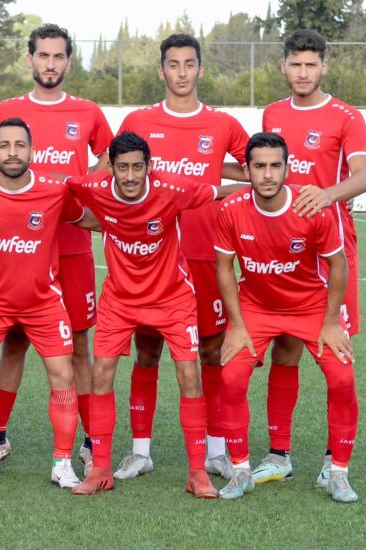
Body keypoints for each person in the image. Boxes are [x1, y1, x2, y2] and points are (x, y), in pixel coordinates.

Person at [67, 132, 245, 497]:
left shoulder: (173, 189)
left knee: (189, 376)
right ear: (111, 168)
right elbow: (56, 190)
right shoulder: (93, 186)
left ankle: (198, 473)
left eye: (138, 167)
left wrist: (282, 190)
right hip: (120, 299)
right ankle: (100, 469)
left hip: (172, 297)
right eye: (122, 168)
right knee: (101, 374)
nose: (130, 176)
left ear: (149, 166)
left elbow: (221, 190)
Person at [0, 23, 113, 477]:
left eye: (58, 56)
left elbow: (110, 157)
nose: (50, 64)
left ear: (68, 61)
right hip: (18, 250)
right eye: (43, 55)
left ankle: (91, 440)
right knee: (14, 341)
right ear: (30, 59)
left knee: (78, 345)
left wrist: (85, 185)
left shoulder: (88, 112)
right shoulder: (7, 111)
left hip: (71, 247)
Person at [115, 34, 249, 481]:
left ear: (200, 69)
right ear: (162, 70)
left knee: (210, 352)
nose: (181, 73)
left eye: (189, 64)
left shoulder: (223, 124)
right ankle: (140, 451)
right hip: (151, 258)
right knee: (148, 350)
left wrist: (217, 178)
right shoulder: (138, 120)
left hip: (206, 255)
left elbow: (257, 167)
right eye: (173, 65)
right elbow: (116, 173)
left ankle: (215, 451)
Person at [0, 117, 100, 492]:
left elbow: (86, 219)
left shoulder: (54, 190)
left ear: (31, 150)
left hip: (43, 303)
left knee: (63, 375)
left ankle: (63, 463)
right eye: (4, 146)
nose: (12, 153)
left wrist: (135, 221)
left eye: (19, 145)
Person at [214, 132, 359, 503]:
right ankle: (240, 470)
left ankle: (338, 473)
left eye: (275, 165)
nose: (267, 174)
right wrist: (237, 325)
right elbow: (225, 268)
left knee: (342, 378)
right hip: (256, 307)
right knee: (231, 376)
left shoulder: (311, 208)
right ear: (247, 170)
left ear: (286, 168)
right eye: (259, 166)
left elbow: (338, 265)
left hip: (310, 306)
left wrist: (330, 322)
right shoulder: (231, 209)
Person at [256, 29, 366, 487]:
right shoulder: (273, 113)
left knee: (334, 356)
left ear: (324, 66)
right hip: (286, 251)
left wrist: (327, 194)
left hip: (333, 252)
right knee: (285, 349)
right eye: (295, 64)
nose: (303, 72)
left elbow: (363, 177)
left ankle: (332, 461)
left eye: (311, 64)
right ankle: (279, 455)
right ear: (283, 66)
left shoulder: (347, 116)